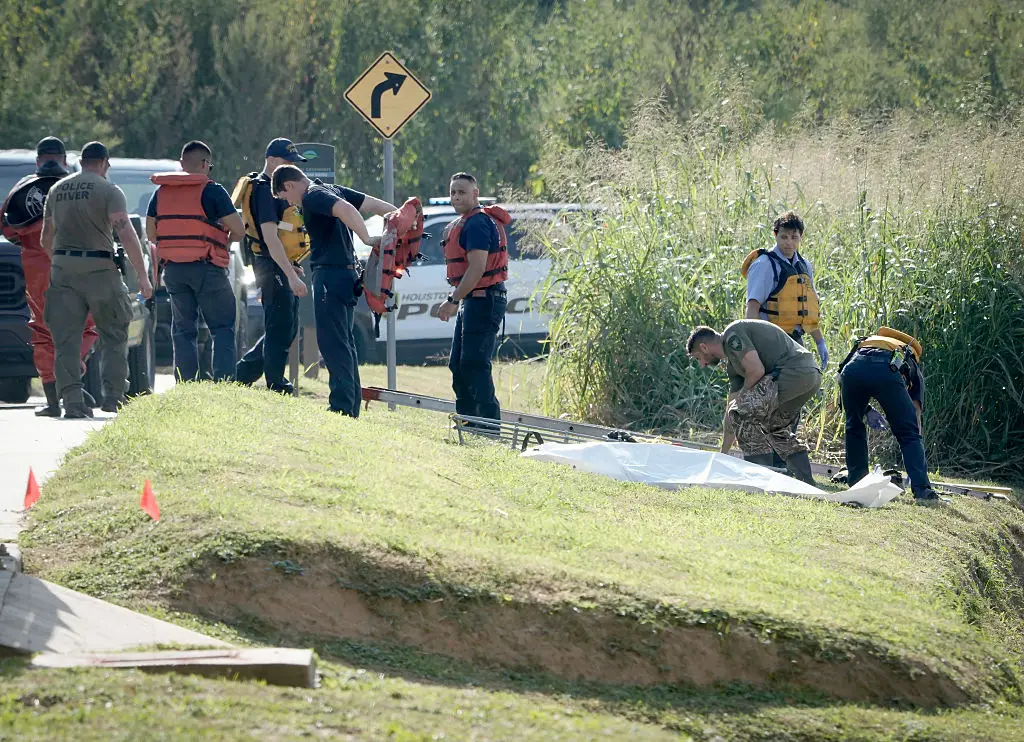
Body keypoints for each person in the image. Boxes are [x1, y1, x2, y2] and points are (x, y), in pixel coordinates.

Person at [41, 141, 153, 418]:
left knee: (65, 340)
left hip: (63, 269)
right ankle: (113, 397)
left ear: (81, 161)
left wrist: (61, 262)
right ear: (104, 163)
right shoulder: (108, 190)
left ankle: (73, 402)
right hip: (101, 270)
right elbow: (125, 233)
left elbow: (46, 238)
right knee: (114, 334)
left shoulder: (57, 190)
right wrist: (142, 275)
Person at [272, 164, 392, 416]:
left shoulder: (313, 195)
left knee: (332, 343)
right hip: (346, 275)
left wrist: (367, 239)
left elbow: (347, 209)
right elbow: (374, 205)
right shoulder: (331, 189)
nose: (291, 203)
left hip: (331, 275)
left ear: (290, 185)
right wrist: (400, 216)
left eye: (286, 197)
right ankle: (350, 404)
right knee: (344, 342)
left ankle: (342, 407)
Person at [1, 136, 98, 416]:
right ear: (65, 160)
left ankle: (54, 400)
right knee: (85, 327)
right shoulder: (80, 187)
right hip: (78, 264)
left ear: (37, 160)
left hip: (37, 270)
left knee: (43, 332)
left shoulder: (22, 188)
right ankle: (72, 379)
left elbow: (7, 227)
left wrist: (32, 245)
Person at [146, 140, 244, 382]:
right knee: (222, 327)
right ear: (204, 164)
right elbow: (239, 230)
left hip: (175, 272)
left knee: (182, 330)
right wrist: (224, 243)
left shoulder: (161, 193)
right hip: (207, 268)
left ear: (181, 164)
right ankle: (223, 382)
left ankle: (186, 382)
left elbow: (150, 234)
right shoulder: (213, 191)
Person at [687, 319, 821, 484]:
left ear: (704, 347)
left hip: (793, 372)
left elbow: (757, 371)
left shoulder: (732, 335)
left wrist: (740, 403)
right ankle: (805, 480)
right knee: (776, 427)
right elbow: (731, 413)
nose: (702, 365)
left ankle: (757, 476)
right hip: (809, 376)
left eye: (698, 358)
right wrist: (722, 455)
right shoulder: (734, 366)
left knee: (741, 411)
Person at [234, 138, 309, 394]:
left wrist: (290, 266)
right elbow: (270, 236)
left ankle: (242, 375)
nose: (291, 168)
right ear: (272, 161)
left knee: (287, 326)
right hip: (269, 263)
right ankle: (276, 383)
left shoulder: (274, 186)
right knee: (279, 325)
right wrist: (289, 274)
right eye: (287, 162)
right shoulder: (265, 191)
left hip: (281, 263)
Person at [436, 173, 511, 423]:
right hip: (473, 301)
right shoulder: (465, 222)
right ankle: (467, 422)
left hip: (485, 300)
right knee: (459, 364)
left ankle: (488, 428)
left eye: (462, 192)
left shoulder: (478, 223)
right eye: (453, 192)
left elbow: (477, 268)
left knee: (475, 364)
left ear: (475, 194)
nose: (456, 196)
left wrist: (453, 300)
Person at [838, 327, 943, 506]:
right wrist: (915, 457)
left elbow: (841, 377)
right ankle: (922, 490)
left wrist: (865, 410)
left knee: (853, 426)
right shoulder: (909, 356)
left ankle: (857, 483)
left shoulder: (865, 343)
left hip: (853, 369)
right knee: (908, 432)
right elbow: (915, 414)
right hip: (887, 370)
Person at [742, 210, 827, 366]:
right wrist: (756, 347)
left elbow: (809, 309)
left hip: (795, 340)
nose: (789, 243)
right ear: (775, 235)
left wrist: (820, 342)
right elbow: (752, 309)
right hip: (769, 342)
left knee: (808, 383)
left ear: (801, 237)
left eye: (794, 237)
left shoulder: (804, 266)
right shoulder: (764, 265)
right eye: (784, 237)